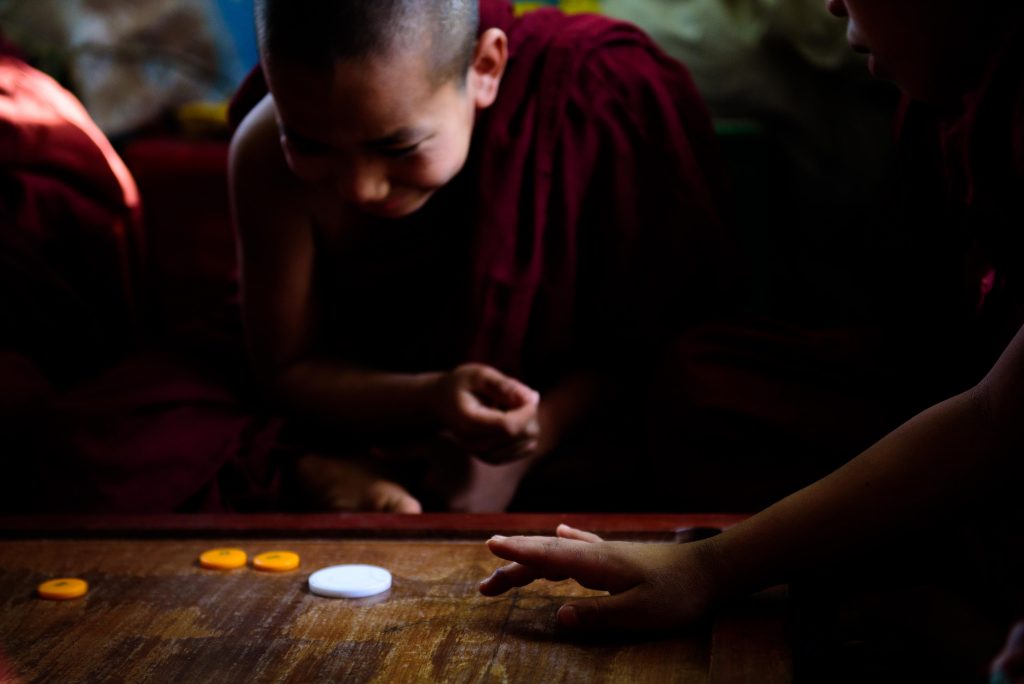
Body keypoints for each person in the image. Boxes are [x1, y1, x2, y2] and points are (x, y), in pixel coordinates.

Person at [480, 0, 1024, 660]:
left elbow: (998, 416)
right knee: (705, 388)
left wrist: (711, 568)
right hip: (958, 391)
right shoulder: (954, 104)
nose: (829, 4)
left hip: (995, 432)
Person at [228, 0, 737, 513]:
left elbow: (660, 336)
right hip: (352, 416)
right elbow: (284, 370)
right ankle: (328, 468)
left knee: (711, 414)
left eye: (400, 148)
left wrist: (536, 436)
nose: (361, 188)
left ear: (486, 68)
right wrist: (430, 398)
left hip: (570, 419)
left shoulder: (598, 91)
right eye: (310, 146)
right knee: (177, 429)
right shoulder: (265, 152)